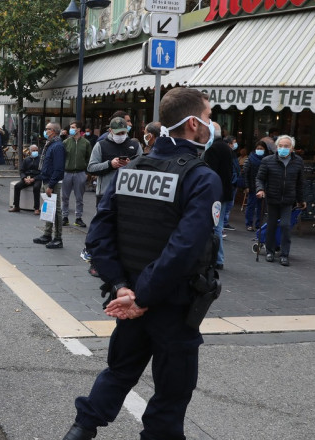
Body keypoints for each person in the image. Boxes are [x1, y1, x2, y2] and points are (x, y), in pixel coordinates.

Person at [62, 87, 222, 440]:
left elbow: (98, 237)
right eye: (210, 118)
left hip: (128, 295)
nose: (213, 125)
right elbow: (184, 249)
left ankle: (81, 430)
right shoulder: (200, 177)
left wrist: (122, 287)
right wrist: (142, 297)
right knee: (172, 390)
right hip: (171, 304)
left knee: (119, 371)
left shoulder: (130, 169)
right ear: (194, 124)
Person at [84, 117, 141, 276]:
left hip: (128, 194)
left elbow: (143, 166)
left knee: (123, 231)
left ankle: (121, 263)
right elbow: (91, 167)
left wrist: (130, 165)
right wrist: (110, 164)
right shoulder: (101, 145)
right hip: (105, 194)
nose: (121, 135)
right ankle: (95, 262)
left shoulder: (135, 145)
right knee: (102, 230)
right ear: (110, 131)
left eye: (123, 132)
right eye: (118, 132)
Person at [256, 135, 306, 266]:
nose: (283, 148)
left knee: (285, 225)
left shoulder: (298, 161)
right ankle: (270, 251)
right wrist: (260, 189)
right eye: (281, 146)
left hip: (288, 200)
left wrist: (301, 200)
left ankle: (284, 254)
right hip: (272, 198)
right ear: (277, 147)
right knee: (271, 225)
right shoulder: (268, 160)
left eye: (286, 146)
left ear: (292, 149)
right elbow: (260, 178)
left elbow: (300, 183)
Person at [203, 122, 232, 270]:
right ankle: (218, 258)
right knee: (218, 226)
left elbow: (210, 173)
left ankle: (216, 259)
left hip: (217, 194)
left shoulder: (213, 149)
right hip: (224, 192)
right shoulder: (224, 147)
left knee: (216, 227)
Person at [33, 122, 65, 249]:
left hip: (53, 182)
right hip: (46, 180)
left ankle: (58, 238)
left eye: (48, 129)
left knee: (56, 210)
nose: (45, 131)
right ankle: (47, 234)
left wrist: (51, 185)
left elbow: (58, 168)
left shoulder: (57, 146)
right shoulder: (50, 144)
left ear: (55, 131)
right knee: (48, 208)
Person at [61, 120, 91, 227]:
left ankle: (78, 218)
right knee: (65, 197)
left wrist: (87, 172)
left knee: (79, 197)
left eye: (73, 127)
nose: (71, 129)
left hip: (80, 172)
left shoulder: (86, 143)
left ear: (78, 129)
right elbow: (62, 157)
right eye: (71, 127)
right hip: (67, 172)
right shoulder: (66, 142)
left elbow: (89, 158)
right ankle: (64, 217)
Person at [8, 144, 42, 214]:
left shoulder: (41, 160)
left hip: (37, 178)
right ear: (30, 151)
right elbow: (22, 171)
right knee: (17, 186)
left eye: (36, 150)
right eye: (33, 150)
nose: (35, 152)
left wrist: (34, 179)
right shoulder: (26, 160)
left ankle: (36, 208)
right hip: (27, 177)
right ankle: (16, 206)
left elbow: (42, 172)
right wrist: (24, 178)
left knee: (36, 188)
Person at [243, 141, 268, 231]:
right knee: (251, 206)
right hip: (252, 186)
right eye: (258, 149)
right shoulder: (250, 159)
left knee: (261, 207)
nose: (259, 150)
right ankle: (249, 224)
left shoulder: (268, 159)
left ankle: (259, 224)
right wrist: (246, 186)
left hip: (263, 187)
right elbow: (246, 173)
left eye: (261, 149)